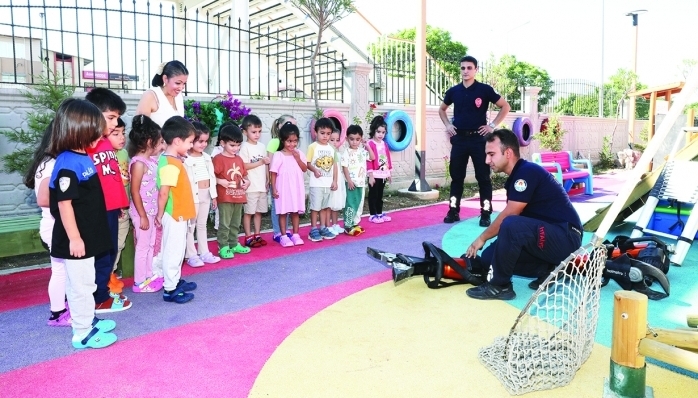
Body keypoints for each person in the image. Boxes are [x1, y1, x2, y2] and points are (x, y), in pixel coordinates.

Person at [464, 129, 582, 301]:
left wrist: (482, 238)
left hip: (566, 236)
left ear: (508, 152)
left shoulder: (526, 172)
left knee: (511, 223)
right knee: (490, 258)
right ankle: (548, 269)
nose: (486, 160)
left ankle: (500, 286)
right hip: (547, 237)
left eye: (491, 154)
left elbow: (511, 214)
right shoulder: (516, 177)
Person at [48, 98, 117, 348]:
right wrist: (75, 238)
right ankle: (82, 332)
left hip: (88, 233)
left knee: (86, 281)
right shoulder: (67, 163)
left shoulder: (82, 156)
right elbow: (64, 205)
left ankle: (88, 319)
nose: (101, 135)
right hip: (75, 238)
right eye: (96, 131)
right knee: (79, 285)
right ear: (79, 130)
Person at [440, 55, 511, 227]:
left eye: (469, 68)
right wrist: (448, 125)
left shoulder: (484, 90)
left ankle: (485, 213)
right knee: (457, 177)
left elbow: (505, 106)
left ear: (476, 70)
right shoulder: (454, 91)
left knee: (483, 177)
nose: (465, 71)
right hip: (459, 140)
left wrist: (492, 125)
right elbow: (442, 109)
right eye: (463, 68)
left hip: (479, 140)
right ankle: (453, 210)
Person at [84, 88, 132, 314]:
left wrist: (121, 204)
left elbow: (113, 178)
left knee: (110, 252)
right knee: (100, 254)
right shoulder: (85, 143)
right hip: (97, 210)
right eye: (111, 117)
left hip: (113, 208)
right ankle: (98, 297)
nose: (114, 123)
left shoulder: (106, 143)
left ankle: (102, 292)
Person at [24, 121, 71, 326]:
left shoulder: (50, 160)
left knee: (65, 270)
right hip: (54, 226)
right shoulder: (52, 164)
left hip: (55, 224)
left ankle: (63, 307)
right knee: (60, 270)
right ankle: (58, 312)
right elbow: (43, 199)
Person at [155, 116, 198, 304]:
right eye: (189, 142)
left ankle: (174, 280)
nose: (191, 146)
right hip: (174, 214)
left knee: (176, 250)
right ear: (177, 141)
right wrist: (159, 213)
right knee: (173, 252)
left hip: (177, 213)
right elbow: (163, 192)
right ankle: (170, 289)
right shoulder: (171, 163)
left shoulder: (173, 160)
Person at [128, 114, 164, 293]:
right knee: (142, 247)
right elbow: (134, 191)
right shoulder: (138, 163)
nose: (162, 145)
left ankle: (148, 276)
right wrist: (142, 215)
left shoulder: (151, 161)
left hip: (151, 211)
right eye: (160, 141)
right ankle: (139, 282)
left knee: (150, 245)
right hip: (142, 213)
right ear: (150, 141)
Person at [183, 122, 220, 267]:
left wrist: (214, 196)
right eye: (200, 141)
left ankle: (204, 252)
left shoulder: (206, 157)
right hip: (192, 196)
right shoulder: (185, 159)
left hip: (206, 195)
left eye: (206, 141)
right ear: (191, 140)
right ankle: (191, 255)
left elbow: (212, 177)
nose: (204, 144)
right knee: (190, 227)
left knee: (202, 225)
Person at [212, 124, 252, 259]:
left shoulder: (239, 159)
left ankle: (234, 243)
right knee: (225, 223)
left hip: (239, 196)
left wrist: (247, 181)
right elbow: (211, 176)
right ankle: (223, 246)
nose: (236, 148)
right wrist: (219, 181)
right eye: (232, 145)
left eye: (238, 145)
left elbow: (244, 174)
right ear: (222, 143)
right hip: (225, 197)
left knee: (235, 223)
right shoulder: (218, 159)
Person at [270, 123, 308, 247]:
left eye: (295, 141)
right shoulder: (278, 155)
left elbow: (304, 168)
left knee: (295, 211)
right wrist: (274, 188)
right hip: (283, 189)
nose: (292, 144)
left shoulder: (299, 153)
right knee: (283, 212)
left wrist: (297, 158)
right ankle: (284, 236)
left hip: (296, 188)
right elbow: (273, 173)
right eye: (289, 141)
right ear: (283, 140)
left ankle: (296, 234)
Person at [239, 114, 270, 247]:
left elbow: (266, 164)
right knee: (249, 212)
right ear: (245, 132)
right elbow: (243, 165)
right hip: (250, 186)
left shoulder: (262, 146)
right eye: (253, 132)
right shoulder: (244, 147)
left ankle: (257, 235)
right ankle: (248, 236)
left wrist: (268, 179)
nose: (257, 134)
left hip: (261, 186)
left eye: (259, 131)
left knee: (259, 212)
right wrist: (260, 162)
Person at [306, 117, 338, 242]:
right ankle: (313, 229)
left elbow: (334, 166)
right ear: (316, 132)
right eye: (322, 133)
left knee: (325, 207)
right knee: (316, 207)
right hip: (316, 184)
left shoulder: (332, 148)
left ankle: (323, 227)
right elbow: (307, 163)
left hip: (328, 184)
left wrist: (334, 181)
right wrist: (314, 170)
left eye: (328, 134)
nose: (325, 136)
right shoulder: (312, 147)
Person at [267, 115, 295, 242]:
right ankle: (277, 232)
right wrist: (270, 180)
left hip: (287, 181)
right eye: (288, 124)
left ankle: (285, 229)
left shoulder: (291, 143)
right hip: (276, 180)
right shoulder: (274, 142)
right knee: (277, 206)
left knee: (287, 205)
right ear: (279, 126)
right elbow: (270, 163)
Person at [341, 125, 374, 236]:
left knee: (359, 204)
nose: (354, 142)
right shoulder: (346, 152)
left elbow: (373, 157)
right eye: (352, 139)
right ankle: (347, 225)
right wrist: (349, 180)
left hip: (361, 183)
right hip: (351, 183)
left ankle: (355, 223)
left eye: (357, 139)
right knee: (350, 203)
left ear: (361, 139)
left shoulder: (362, 151)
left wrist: (367, 146)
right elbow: (344, 167)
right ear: (347, 139)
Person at [135, 60, 188, 127]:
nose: (181, 87)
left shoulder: (179, 96)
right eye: (178, 83)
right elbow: (139, 128)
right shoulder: (150, 96)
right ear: (165, 79)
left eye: (184, 83)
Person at [111, 117, 130, 284]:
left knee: (119, 243)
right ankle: (106, 275)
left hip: (124, 207)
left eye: (123, 133)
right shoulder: (102, 155)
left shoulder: (123, 153)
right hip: (111, 209)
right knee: (110, 244)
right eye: (115, 133)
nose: (122, 137)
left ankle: (111, 272)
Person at [366, 115, 393, 223]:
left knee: (380, 195)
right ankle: (372, 215)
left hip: (383, 174)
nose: (381, 134)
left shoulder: (384, 144)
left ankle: (379, 213)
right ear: (373, 131)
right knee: (373, 195)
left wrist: (389, 173)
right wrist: (371, 175)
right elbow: (368, 160)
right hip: (374, 175)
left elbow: (387, 158)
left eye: (383, 132)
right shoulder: (369, 144)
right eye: (378, 132)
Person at [327, 128, 346, 236]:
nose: (335, 142)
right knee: (329, 204)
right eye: (332, 140)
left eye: (337, 140)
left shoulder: (338, 153)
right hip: (330, 181)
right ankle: (328, 226)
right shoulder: (328, 153)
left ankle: (335, 224)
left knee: (336, 204)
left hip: (339, 180)